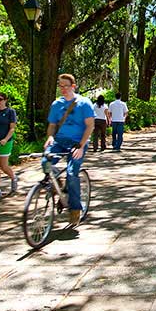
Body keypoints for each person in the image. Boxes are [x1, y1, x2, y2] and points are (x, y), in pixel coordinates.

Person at [44, 74, 95, 225]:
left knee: (72, 173)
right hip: (59, 140)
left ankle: (75, 208)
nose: (63, 89)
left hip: (78, 142)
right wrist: (50, 137)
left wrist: (81, 145)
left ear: (73, 86)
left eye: (66, 86)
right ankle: (58, 184)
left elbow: (90, 126)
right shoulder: (56, 104)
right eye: (60, 86)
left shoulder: (84, 103)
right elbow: (52, 126)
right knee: (45, 162)